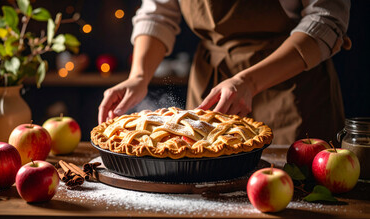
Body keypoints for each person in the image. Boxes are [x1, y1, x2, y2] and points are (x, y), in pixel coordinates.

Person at [97, 0, 351, 145]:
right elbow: (158, 13)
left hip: (293, 84)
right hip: (212, 81)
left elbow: (326, 20)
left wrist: (249, 81)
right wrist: (139, 76)